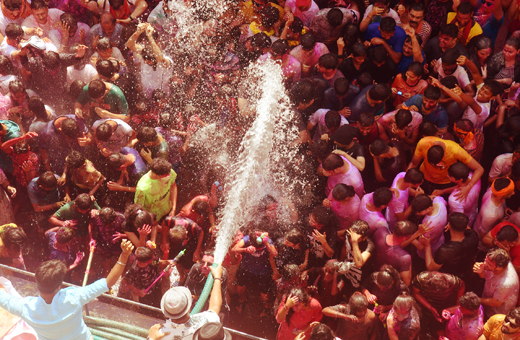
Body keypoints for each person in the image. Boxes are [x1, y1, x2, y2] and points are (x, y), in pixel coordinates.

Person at [0, 239, 134, 340]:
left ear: (37, 282)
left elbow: (3, 297)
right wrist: (124, 255)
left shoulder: (24, 307)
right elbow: (108, 282)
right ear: (59, 286)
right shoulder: (74, 296)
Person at [158, 264, 224, 340]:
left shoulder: (160, 334)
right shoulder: (205, 320)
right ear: (189, 307)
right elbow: (215, 306)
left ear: (166, 312)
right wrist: (217, 278)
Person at [408, 136, 484, 197]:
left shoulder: (456, 150)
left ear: (444, 155)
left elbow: (479, 169)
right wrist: (406, 180)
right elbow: (414, 163)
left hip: (445, 183)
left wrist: (469, 187)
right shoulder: (423, 143)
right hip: (425, 179)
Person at [473, 248, 519, 319]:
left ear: (499, 268)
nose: (485, 264)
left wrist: (477, 299)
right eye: (485, 260)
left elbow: (496, 303)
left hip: (496, 313)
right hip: (487, 301)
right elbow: (486, 276)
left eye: (488, 264)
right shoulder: (493, 262)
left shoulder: (506, 283)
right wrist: (481, 271)